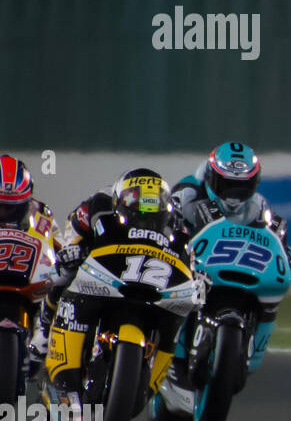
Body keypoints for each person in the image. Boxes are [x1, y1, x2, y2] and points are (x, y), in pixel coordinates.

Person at [40, 170, 190, 400]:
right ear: (122, 199)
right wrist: (74, 248)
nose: (146, 213)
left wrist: (196, 277)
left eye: (153, 206)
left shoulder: (176, 221)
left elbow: (186, 255)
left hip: (147, 280)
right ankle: (44, 330)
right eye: (138, 202)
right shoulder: (100, 204)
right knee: (64, 273)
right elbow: (75, 230)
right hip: (101, 269)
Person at [171, 141, 291, 279]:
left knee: (278, 223)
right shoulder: (186, 195)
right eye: (226, 184)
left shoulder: (259, 204)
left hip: (235, 272)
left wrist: (288, 254)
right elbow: (164, 231)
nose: (233, 196)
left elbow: (273, 237)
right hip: (188, 272)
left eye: (242, 186)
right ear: (210, 176)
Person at [1, 156, 60, 369]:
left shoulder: (43, 215)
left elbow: (59, 244)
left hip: (29, 279)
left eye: (12, 207)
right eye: (1, 206)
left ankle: (47, 346)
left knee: (64, 291)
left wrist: (64, 256)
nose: (5, 213)